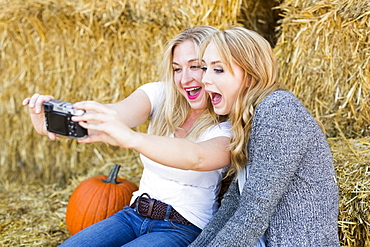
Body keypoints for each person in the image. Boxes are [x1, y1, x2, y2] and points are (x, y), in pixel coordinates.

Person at [22, 26, 232, 247]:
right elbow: (114, 115)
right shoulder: (161, 95)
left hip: (183, 228)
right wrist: (52, 122)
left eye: (195, 66)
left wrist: (132, 139)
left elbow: (196, 158)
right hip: (132, 215)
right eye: (177, 69)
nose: (184, 79)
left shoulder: (228, 124)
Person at [189, 26, 340, 246]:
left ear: (250, 76)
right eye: (204, 68)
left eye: (218, 70)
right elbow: (232, 207)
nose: (204, 79)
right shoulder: (250, 120)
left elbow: (252, 216)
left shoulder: (279, 111)